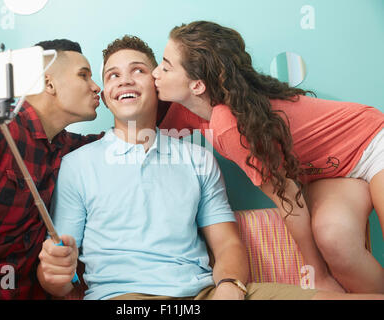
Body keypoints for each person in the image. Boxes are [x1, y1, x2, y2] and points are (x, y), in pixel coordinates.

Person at [37, 35, 384, 300]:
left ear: (157, 85)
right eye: (112, 75)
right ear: (105, 93)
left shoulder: (198, 155)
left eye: (138, 71)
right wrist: (52, 275)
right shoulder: (77, 164)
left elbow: (228, 245)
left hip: (205, 294)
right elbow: (60, 268)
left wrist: (231, 284)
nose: (124, 80)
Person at [152, 20, 384, 293]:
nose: (156, 73)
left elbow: (286, 196)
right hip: (333, 172)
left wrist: (316, 274)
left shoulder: (229, 124)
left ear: (198, 85)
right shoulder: (187, 110)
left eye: (165, 67)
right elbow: (138, 122)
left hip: (372, 142)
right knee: (335, 239)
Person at [0, 39, 103, 299]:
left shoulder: (65, 146)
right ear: (49, 83)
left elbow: (119, 142)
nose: (96, 87)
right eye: (84, 76)